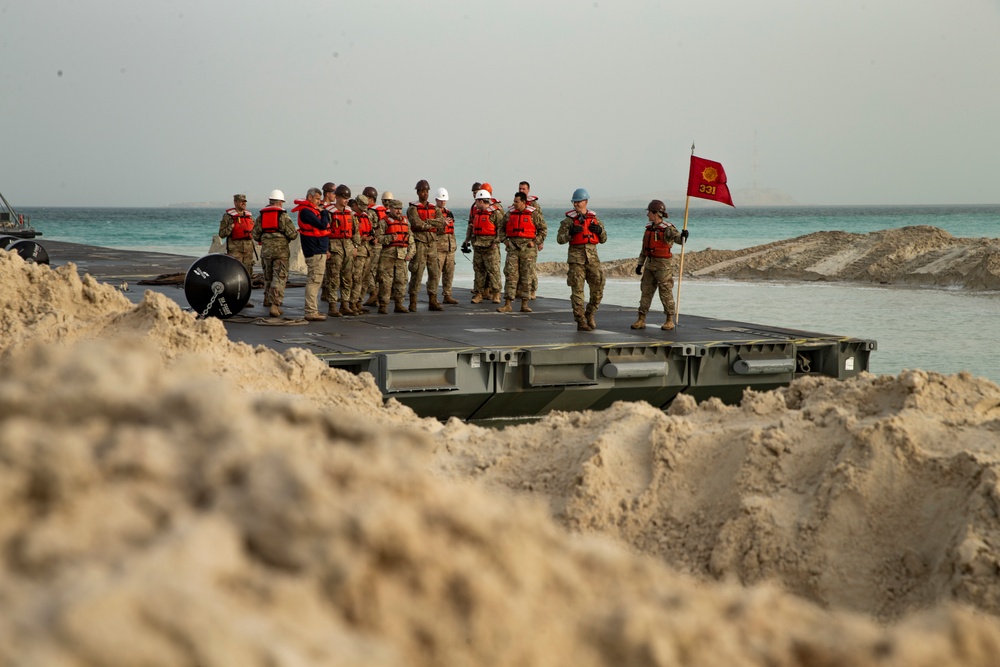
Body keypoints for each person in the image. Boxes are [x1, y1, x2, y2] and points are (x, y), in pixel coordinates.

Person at [632, 199, 688, 331]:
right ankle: (641, 319)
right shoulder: (649, 229)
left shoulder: (668, 229)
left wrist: (684, 236)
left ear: (656, 213)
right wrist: (640, 264)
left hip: (663, 267)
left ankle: (669, 319)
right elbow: (644, 249)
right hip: (650, 265)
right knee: (645, 292)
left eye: (649, 212)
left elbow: (679, 240)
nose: (648, 215)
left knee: (665, 292)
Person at [556, 187, 607, 331]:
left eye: (579, 202)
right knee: (577, 291)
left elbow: (603, 239)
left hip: (592, 260)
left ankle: (590, 314)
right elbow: (560, 239)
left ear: (586, 202)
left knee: (598, 287)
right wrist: (570, 233)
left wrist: (600, 231)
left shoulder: (594, 220)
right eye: (574, 202)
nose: (576, 205)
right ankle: (580, 321)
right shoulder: (568, 221)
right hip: (576, 260)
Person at [497, 191, 546, 313]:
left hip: (528, 250)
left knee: (526, 277)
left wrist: (535, 242)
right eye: (514, 201)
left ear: (523, 202)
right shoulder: (509, 214)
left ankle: (525, 304)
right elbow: (501, 228)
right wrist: (505, 241)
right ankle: (508, 303)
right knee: (510, 275)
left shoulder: (533, 214)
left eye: (516, 202)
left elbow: (543, 230)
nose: (514, 204)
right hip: (513, 248)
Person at [252, 189, 298, 318]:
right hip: (281, 253)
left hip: (266, 252)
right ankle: (275, 305)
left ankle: (267, 300)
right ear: (281, 203)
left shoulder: (261, 216)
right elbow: (293, 234)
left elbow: (255, 235)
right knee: (279, 278)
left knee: (268, 277)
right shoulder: (283, 216)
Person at [322, 183, 360, 317]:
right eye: (343, 197)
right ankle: (332, 306)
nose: (346, 200)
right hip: (334, 247)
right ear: (336, 197)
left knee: (347, 277)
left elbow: (355, 231)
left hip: (348, 247)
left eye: (347, 198)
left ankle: (345, 304)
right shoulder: (329, 212)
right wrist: (326, 249)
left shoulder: (350, 213)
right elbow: (325, 231)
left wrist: (355, 246)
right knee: (334, 278)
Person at [406, 179, 443, 312]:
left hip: (432, 243)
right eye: (422, 191)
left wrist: (427, 223)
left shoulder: (434, 208)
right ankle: (413, 301)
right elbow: (416, 223)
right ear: (418, 192)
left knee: (434, 272)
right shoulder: (412, 208)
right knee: (417, 271)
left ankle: (433, 300)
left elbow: (441, 223)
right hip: (419, 242)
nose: (425, 193)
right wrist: (430, 224)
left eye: (426, 191)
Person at [292, 186, 329, 321]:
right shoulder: (307, 212)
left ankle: (313, 309)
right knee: (314, 280)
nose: (319, 202)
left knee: (316, 280)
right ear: (310, 198)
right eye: (317, 199)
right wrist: (324, 212)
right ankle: (310, 311)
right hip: (314, 251)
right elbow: (322, 225)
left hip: (318, 250)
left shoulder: (310, 211)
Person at [463, 189, 505, 304]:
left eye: (477, 201)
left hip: (490, 247)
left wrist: (495, 242)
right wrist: (467, 240)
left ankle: (496, 294)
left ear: (481, 201)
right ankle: (478, 294)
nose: (475, 203)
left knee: (494, 270)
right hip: (478, 246)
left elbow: (501, 229)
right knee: (478, 271)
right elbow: (471, 226)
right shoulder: (476, 212)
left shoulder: (495, 213)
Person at [377, 199, 415, 314]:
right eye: (396, 208)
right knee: (385, 282)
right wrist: (389, 238)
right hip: (387, 256)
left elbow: (411, 241)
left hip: (401, 257)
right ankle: (383, 305)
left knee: (401, 281)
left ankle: (399, 304)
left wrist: (410, 254)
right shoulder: (384, 222)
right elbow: (378, 238)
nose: (398, 211)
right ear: (390, 209)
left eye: (400, 209)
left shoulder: (405, 222)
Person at [218, 194, 256, 299]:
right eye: (241, 201)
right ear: (235, 202)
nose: (243, 203)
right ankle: (233, 298)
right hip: (235, 251)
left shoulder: (248, 216)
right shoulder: (228, 216)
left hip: (248, 251)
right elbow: (221, 233)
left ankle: (245, 299)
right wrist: (231, 227)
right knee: (234, 275)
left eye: (245, 201)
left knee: (248, 275)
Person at [349, 193, 377, 314]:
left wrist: (373, 238)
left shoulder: (367, 216)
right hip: (358, 252)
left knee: (365, 279)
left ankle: (359, 302)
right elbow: (349, 236)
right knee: (356, 278)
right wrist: (362, 239)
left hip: (368, 252)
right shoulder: (351, 217)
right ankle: (352, 302)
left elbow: (372, 230)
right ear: (355, 205)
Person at [431, 187, 459, 305]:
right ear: (436, 200)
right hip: (438, 248)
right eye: (441, 200)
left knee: (449, 272)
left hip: (450, 247)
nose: (443, 202)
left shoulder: (449, 213)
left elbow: (452, 231)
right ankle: (433, 296)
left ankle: (447, 295)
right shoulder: (433, 213)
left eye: (444, 200)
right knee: (436, 273)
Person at [519, 181, 545, 300]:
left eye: (524, 189)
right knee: (519, 267)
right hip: (519, 242)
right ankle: (520, 290)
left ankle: (533, 290)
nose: (522, 190)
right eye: (520, 188)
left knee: (531, 267)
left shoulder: (534, 205)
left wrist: (539, 242)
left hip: (531, 240)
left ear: (528, 190)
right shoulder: (517, 203)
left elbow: (540, 224)